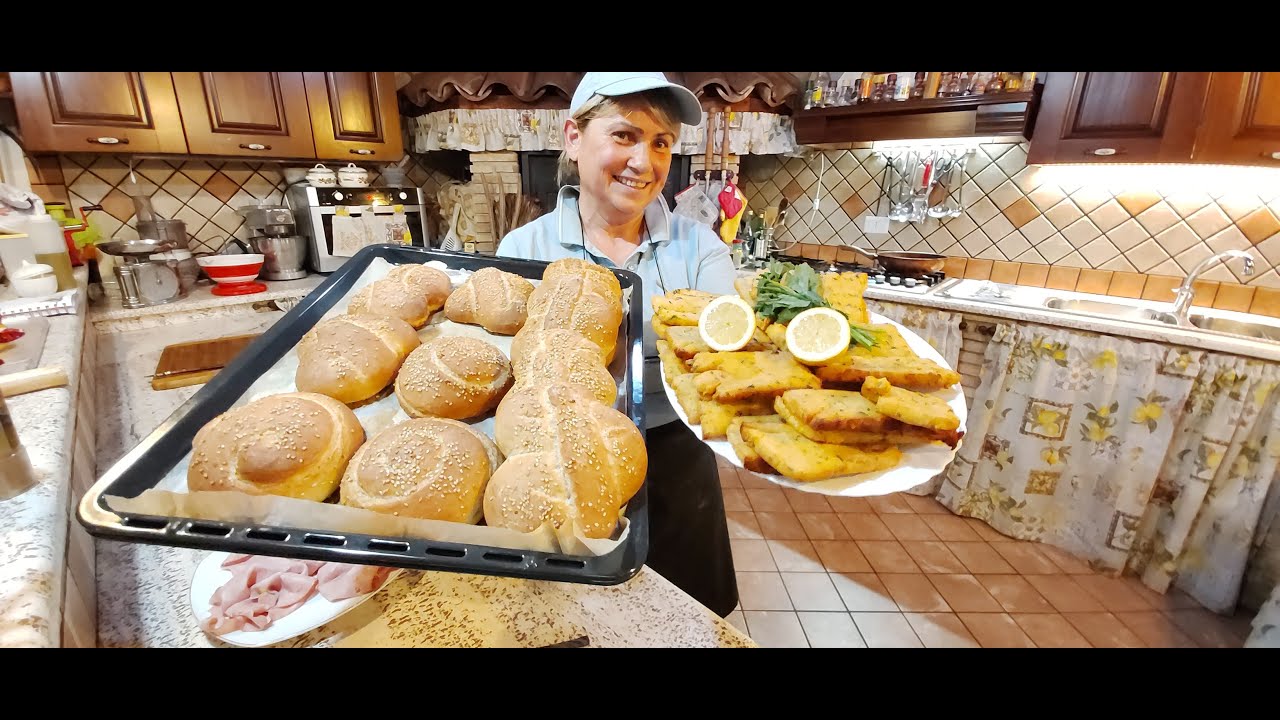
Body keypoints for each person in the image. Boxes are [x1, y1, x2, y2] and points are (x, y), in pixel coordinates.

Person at [497, 71, 739, 617]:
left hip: (676, 455)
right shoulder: (524, 248)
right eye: (625, 136)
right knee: (574, 615)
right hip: (556, 458)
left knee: (688, 616)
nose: (644, 162)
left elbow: (726, 350)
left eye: (661, 143)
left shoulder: (698, 247)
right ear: (574, 137)